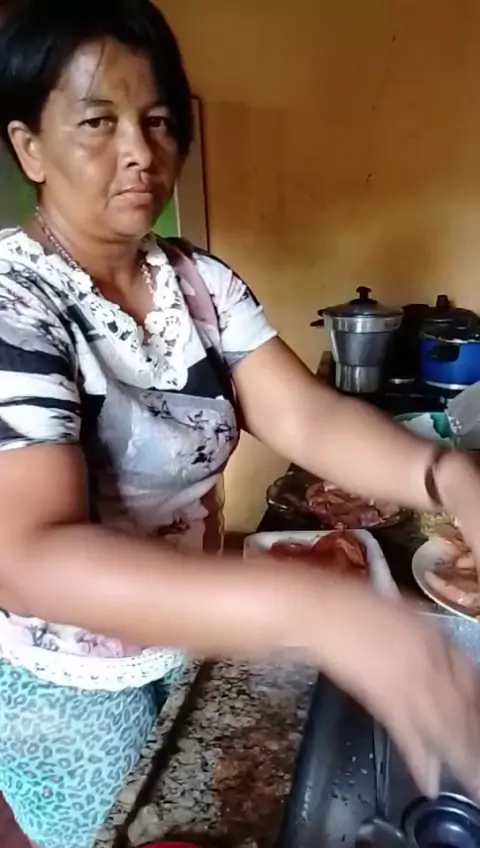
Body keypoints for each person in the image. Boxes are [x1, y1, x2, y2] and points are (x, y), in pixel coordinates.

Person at [1, 2, 480, 847]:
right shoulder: (16, 302)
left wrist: (447, 475)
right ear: (29, 145)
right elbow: (29, 556)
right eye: (99, 122)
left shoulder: (196, 281)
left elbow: (306, 416)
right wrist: (320, 611)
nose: (141, 152)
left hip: (188, 629)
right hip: (66, 689)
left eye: (158, 121)